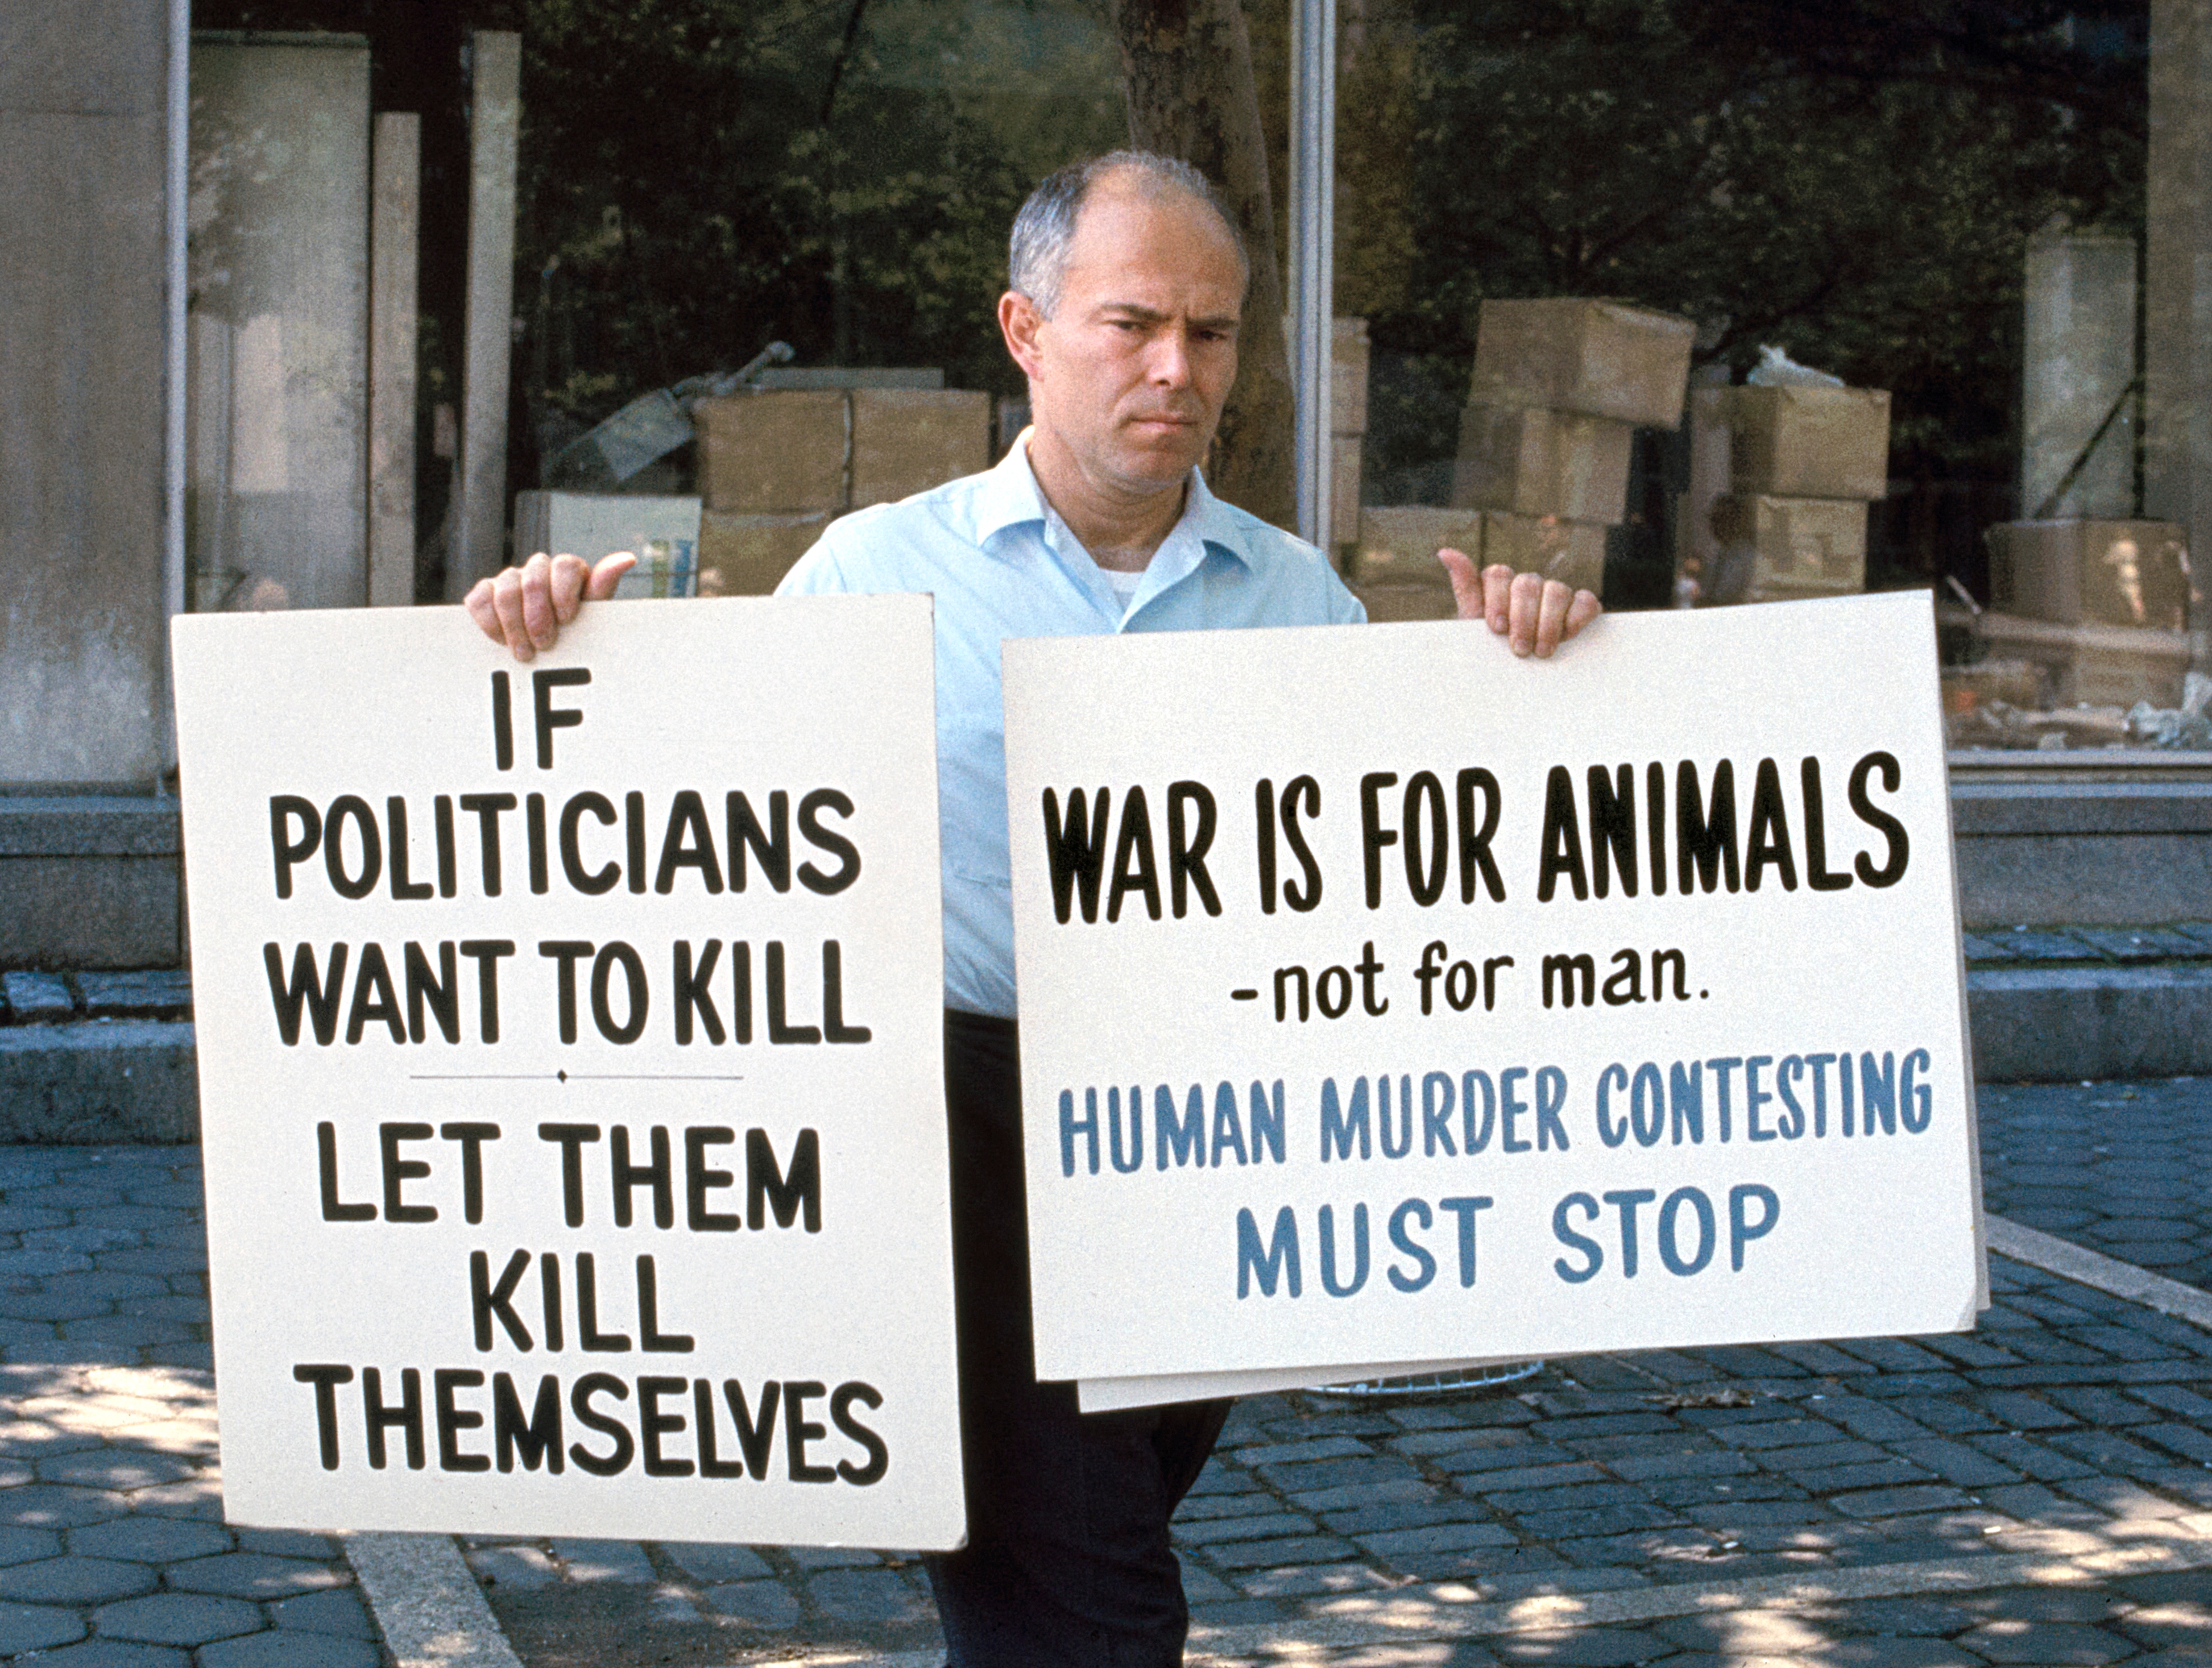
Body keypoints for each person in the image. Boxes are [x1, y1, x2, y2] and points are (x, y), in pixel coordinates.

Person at [467, 150, 1598, 1666]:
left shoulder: (1298, 602)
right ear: (1026, 330)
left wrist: (1529, 689)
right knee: (1096, 1608)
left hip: (1201, 1136)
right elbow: (699, 838)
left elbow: (1414, 886)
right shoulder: (873, 574)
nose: (1176, 367)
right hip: (955, 1131)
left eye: (1211, 331)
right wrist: (556, 662)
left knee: (1069, 1553)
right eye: (1132, 322)